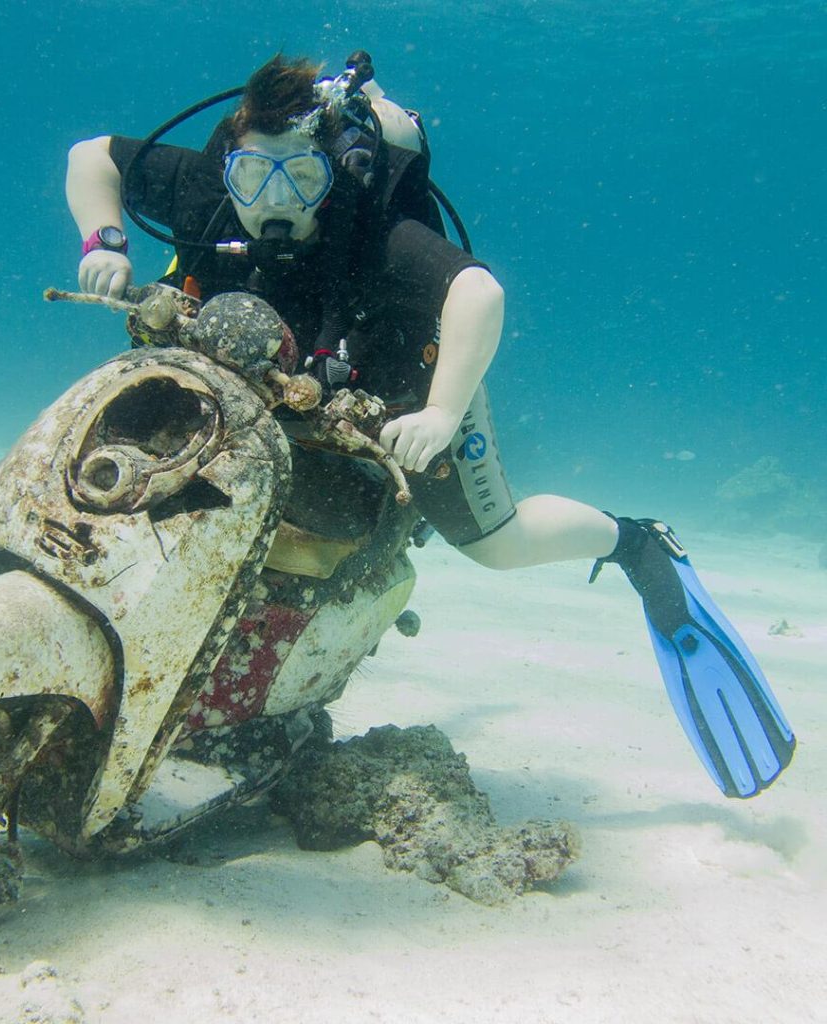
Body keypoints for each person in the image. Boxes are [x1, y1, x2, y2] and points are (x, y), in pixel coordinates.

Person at [65, 53, 794, 799]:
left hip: (404, 391)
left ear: (330, 175)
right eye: (253, 177)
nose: (275, 202)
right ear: (229, 167)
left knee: (498, 544)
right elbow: (93, 158)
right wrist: (104, 241)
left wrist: (442, 412)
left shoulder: (370, 228)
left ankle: (635, 543)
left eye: (302, 179)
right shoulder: (200, 186)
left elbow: (478, 293)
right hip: (258, 382)